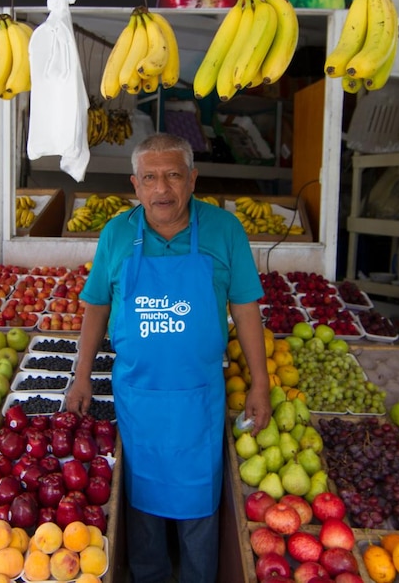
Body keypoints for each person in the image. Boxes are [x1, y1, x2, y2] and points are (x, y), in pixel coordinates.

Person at [65, 133, 272, 583]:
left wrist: (261, 383)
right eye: (151, 178)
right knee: (141, 509)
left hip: (198, 399)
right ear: (135, 184)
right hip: (138, 399)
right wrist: (81, 375)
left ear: (192, 179)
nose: (163, 189)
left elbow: (245, 306)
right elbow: (97, 305)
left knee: (200, 506)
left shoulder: (224, 230)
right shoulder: (117, 234)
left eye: (174, 175)